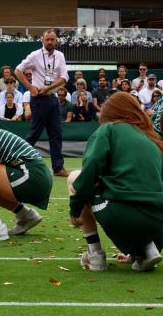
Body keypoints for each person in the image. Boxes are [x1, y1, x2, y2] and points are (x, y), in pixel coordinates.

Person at [68, 92, 163, 272]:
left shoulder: (108, 129)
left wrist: (75, 207)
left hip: (123, 214)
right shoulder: (151, 139)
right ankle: (145, 249)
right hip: (158, 222)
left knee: (75, 178)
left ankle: (94, 254)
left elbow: (91, 169)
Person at [14, 29, 69, 177]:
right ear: (42, 41)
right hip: (39, 99)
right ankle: (15, 158)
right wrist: (30, 87)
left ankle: (58, 168)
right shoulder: (35, 55)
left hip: (53, 98)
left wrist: (49, 88)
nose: (50, 42)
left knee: (56, 133)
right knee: (35, 133)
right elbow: (18, 70)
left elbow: (64, 77)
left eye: (52, 39)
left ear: (56, 41)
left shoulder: (60, 56)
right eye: (47, 39)